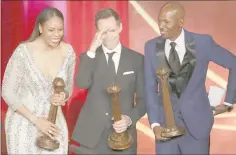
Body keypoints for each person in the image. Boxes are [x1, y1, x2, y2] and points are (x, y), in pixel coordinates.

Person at [144, 2, 236, 154]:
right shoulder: (151, 46)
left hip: (197, 128)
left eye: (166, 21)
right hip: (164, 129)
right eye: (159, 20)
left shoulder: (203, 43)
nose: (161, 25)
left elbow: (234, 64)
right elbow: (150, 88)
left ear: (180, 22)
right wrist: (154, 124)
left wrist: (228, 102)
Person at [71, 8, 146, 154]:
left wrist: (129, 119)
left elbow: (144, 99)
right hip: (92, 137)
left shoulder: (137, 60)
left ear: (120, 27)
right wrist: (92, 49)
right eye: (103, 32)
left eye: (112, 30)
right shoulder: (90, 57)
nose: (109, 36)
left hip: (123, 137)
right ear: (97, 32)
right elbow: (81, 83)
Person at [1, 7, 76, 154]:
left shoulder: (68, 52)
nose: (57, 35)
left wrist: (63, 96)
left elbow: (68, 87)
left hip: (54, 125)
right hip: (23, 123)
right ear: (40, 28)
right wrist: (37, 121)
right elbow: (7, 92)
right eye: (51, 30)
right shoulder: (23, 52)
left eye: (60, 30)